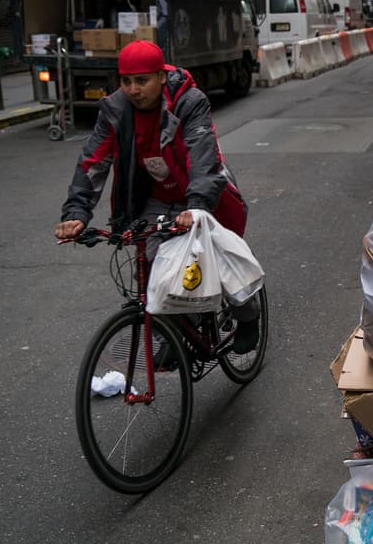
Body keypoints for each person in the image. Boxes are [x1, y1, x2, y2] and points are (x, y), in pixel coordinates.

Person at [54, 40, 260, 353]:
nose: (133, 90)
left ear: (161, 77)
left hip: (203, 194)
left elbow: (203, 156)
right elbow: (92, 161)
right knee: (153, 264)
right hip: (157, 198)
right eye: (126, 81)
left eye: (142, 80)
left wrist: (198, 207)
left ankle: (248, 317)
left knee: (220, 260)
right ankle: (173, 334)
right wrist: (76, 213)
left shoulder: (189, 101)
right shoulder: (115, 109)